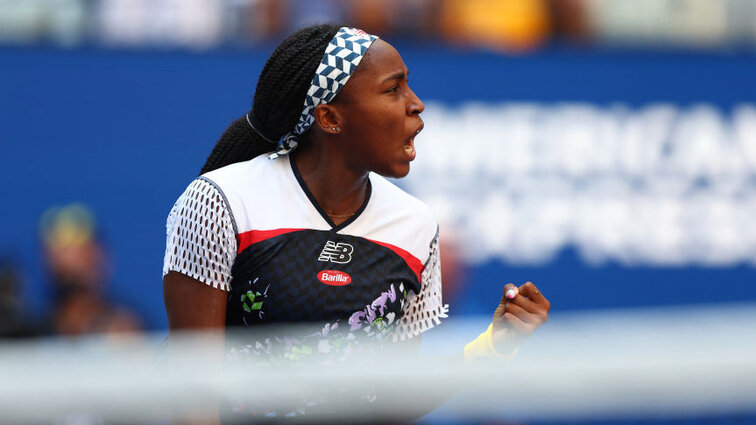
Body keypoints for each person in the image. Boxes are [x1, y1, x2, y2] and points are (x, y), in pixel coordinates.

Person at [163, 24, 550, 423]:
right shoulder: (222, 200)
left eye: (409, 87)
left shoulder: (415, 227)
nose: (416, 105)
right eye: (393, 89)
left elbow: (389, 401)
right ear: (330, 117)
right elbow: (193, 391)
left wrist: (492, 347)